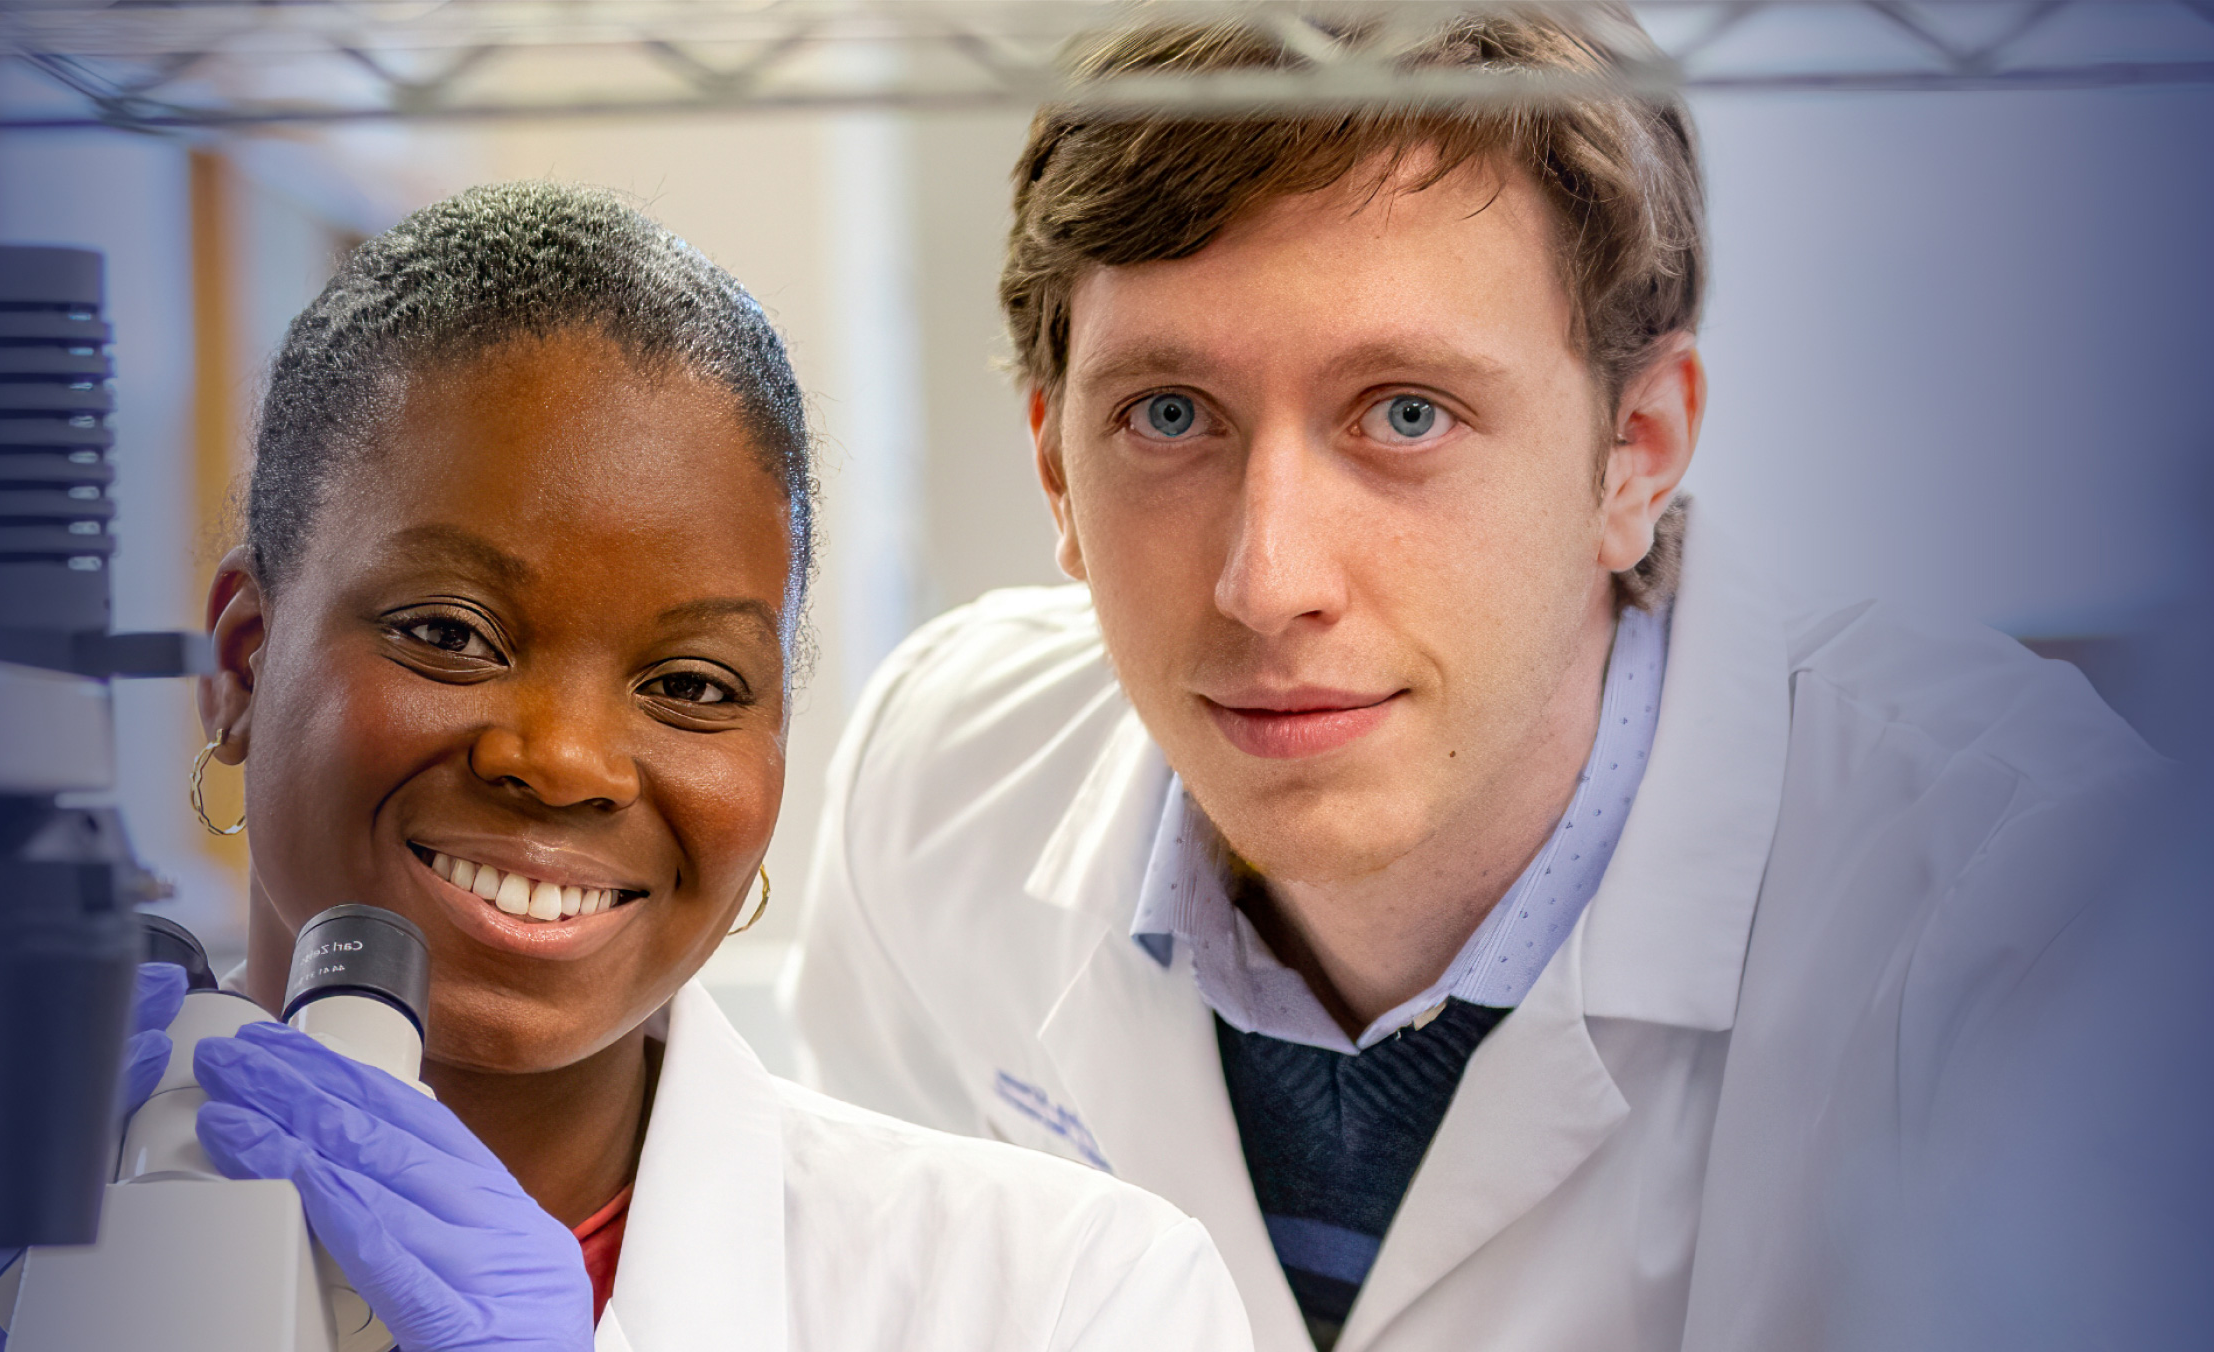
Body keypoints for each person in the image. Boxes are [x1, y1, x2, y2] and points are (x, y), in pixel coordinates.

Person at [775, 10, 2171, 1352]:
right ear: (1054, 466)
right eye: (1169, 415)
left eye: (1405, 414)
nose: (1267, 580)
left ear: (1638, 450)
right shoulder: (943, 783)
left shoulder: (2037, 908)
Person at [161, 181, 1252, 1351]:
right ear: (241, 663)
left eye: (691, 686)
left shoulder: (1065, 1298)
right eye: (449, 632)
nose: (566, 760)